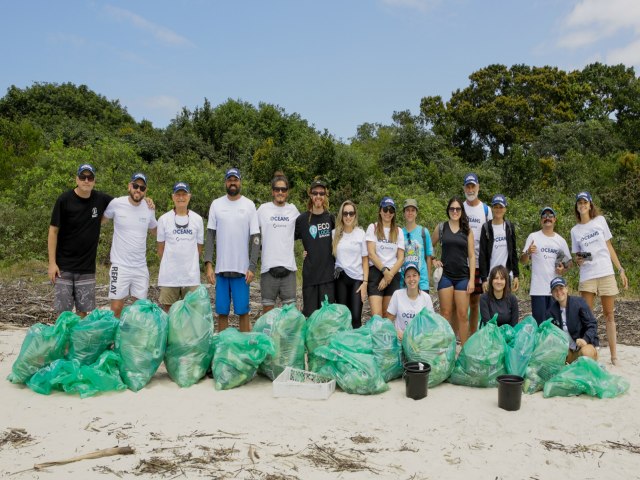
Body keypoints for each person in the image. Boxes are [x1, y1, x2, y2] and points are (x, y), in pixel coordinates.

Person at [571, 191, 628, 365]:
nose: (582, 205)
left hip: (605, 272)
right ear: (577, 206)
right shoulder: (575, 230)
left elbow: (608, 246)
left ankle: (614, 356)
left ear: (590, 205)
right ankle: (589, 351)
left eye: (585, 202)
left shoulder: (600, 221)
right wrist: (579, 259)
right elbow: (577, 257)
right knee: (586, 316)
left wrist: (620, 270)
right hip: (588, 275)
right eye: (579, 203)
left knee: (609, 314)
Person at [48, 164, 113, 317]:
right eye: (83, 177)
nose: (86, 180)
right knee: (63, 312)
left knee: (83, 311)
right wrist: (52, 263)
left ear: (94, 181)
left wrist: (146, 201)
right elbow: (53, 231)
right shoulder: (64, 200)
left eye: (89, 177)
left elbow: (126, 203)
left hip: (87, 267)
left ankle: (78, 341)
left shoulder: (101, 199)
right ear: (76, 179)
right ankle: (63, 340)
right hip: (63, 266)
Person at [205, 167, 260, 332]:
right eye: (230, 180)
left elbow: (256, 239)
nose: (233, 182)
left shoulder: (249, 205)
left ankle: (243, 349)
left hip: (242, 271)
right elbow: (210, 237)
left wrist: (252, 266)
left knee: (243, 312)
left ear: (240, 182)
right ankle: (223, 348)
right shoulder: (216, 204)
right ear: (225, 182)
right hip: (221, 271)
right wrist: (208, 265)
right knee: (222, 312)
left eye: (235, 179)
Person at [102, 172, 158, 318]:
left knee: (140, 310)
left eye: (142, 187)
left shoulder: (149, 208)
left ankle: (133, 339)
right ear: (129, 186)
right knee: (116, 307)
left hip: (140, 267)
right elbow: (99, 221)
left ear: (146, 190)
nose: (138, 189)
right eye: (135, 185)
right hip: (120, 266)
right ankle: (113, 339)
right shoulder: (116, 203)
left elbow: (156, 231)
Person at [432, 196, 475, 345]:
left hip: (463, 277)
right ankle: (446, 350)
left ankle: (464, 351)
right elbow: (429, 245)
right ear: (448, 210)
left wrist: (472, 280)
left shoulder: (467, 231)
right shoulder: (441, 228)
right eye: (452, 208)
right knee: (445, 314)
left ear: (462, 211)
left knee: (463, 315)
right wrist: (433, 260)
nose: (455, 211)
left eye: (458, 209)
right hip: (446, 276)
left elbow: (471, 256)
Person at [156, 182, 204, 312]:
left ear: (189, 196)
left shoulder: (197, 219)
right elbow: (160, 248)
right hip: (169, 277)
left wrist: (189, 264)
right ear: (173, 197)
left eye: (184, 194)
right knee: (168, 311)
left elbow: (199, 248)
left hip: (191, 276)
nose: (181, 198)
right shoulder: (163, 219)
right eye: (178, 194)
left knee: (192, 311)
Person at [256, 172, 300, 314]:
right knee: (268, 313)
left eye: (283, 189)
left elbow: (304, 231)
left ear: (287, 192)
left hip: (289, 269)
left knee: (290, 315)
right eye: (277, 189)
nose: (280, 192)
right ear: (272, 191)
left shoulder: (293, 210)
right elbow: (252, 235)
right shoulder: (262, 209)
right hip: (268, 269)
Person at [520, 206, 572, 324]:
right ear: (540, 220)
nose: (547, 218)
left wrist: (562, 270)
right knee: (539, 325)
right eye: (544, 216)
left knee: (556, 325)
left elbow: (569, 263)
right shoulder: (533, 237)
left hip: (556, 290)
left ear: (555, 220)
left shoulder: (561, 240)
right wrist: (528, 252)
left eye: (550, 216)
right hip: (538, 290)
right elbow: (522, 260)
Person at [294, 178, 335, 317]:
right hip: (310, 276)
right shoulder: (301, 220)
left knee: (326, 320)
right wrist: (300, 253)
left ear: (325, 196)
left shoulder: (331, 218)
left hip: (328, 277)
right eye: (315, 193)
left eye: (321, 193)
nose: (318, 196)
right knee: (310, 318)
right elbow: (286, 240)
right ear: (310, 195)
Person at [462, 173, 492, 335]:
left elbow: (491, 237)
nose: (471, 189)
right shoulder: (459, 207)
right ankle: (460, 337)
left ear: (478, 187)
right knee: (460, 303)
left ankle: (472, 336)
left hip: (480, 263)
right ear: (464, 188)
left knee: (475, 303)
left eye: (473, 186)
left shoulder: (486, 210)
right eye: (468, 186)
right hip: (461, 263)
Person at [366, 196, 405, 318]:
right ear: (380, 210)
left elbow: (401, 258)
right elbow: (371, 254)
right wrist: (384, 272)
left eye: (391, 210)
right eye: (385, 209)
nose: (388, 213)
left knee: (388, 316)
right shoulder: (373, 227)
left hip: (393, 273)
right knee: (377, 316)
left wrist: (389, 275)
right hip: (376, 271)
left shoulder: (398, 231)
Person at [546, 276, 599, 363]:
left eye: (561, 288)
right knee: (553, 354)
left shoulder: (579, 303)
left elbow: (592, 324)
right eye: (555, 290)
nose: (559, 292)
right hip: (567, 351)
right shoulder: (550, 312)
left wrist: (585, 339)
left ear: (567, 289)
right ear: (552, 294)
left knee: (586, 352)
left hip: (583, 347)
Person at [332, 200, 368, 328]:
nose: (348, 216)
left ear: (355, 215)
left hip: (357, 279)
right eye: (345, 213)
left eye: (351, 213)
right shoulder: (334, 234)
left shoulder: (361, 234)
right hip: (340, 278)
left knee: (356, 317)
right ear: (341, 215)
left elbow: (365, 260)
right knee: (344, 317)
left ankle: (356, 346)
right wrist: (306, 252)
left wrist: (365, 283)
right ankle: (344, 346)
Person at [479, 194, 519, 294]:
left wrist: (516, 275)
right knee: (491, 307)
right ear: (492, 208)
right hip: (490, 276)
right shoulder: (486, 228)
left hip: (506, 276)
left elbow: (513, 252)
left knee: (505, 307)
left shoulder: (509, 227)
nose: (498, 210)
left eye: (501, 207)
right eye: (496, 207)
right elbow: (482, 254)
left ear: (505, 209)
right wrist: (484, 279)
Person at [386, 262, 434, 340]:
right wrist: (395, 332)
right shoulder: (397, 295)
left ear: (419, 277)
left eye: (414, 275)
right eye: (408, 276)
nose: (411, 279)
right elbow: (388, 320)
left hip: (418, 340)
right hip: (400, 339)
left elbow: (430, 323)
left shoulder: (426, 297)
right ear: (404, 280)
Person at [401, 198, 433, 293]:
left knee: (422, 308)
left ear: (416, 213)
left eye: (413, 210)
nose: (410, 213)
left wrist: (427, 278)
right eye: (407, 210)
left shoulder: (424, 232)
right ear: (404, 213)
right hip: (404, 282)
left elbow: (428, 256)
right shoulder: (399, 233)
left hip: (422, 282)